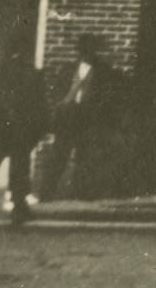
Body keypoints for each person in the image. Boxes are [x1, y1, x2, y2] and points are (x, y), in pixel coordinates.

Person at [0, 28, 48, 225]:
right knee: (19, 172)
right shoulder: (33, 74)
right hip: (21, 131)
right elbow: (40, 106)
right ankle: (19, 209)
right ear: (25, 51)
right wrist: (37, 131)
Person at [39, 33, 111, 200]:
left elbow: (106, 96)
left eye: (91, 50)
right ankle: (46, 193)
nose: (87, 54)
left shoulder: (103, 72)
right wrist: (60, 107)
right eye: (84, 50)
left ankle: (82, 193)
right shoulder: (68, 70)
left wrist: (96, 113)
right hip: (68, 118)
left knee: (85, 157)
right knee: (59, 156)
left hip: (88, 118)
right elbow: (57, 91)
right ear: (79, 52)